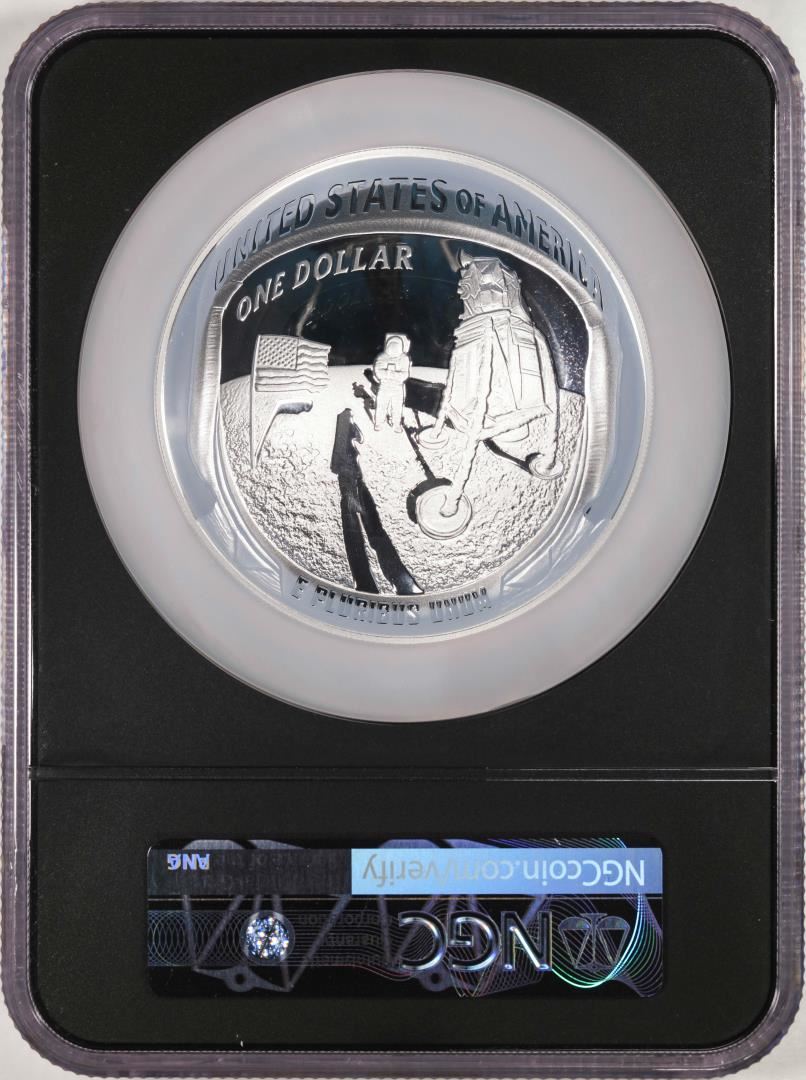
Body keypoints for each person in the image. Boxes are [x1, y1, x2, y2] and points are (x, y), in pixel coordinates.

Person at [373, 333, 411, 433]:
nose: (394, 349)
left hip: (397, 387)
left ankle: (396, 424)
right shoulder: (382, 357)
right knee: (381, 405)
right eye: (392, 346)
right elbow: (378, 372)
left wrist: (390, 374)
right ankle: (378, 422)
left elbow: (405, 374)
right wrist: (391, 374)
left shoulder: (404, 358)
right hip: (384, 386)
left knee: (397, 407)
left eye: (396, 346)